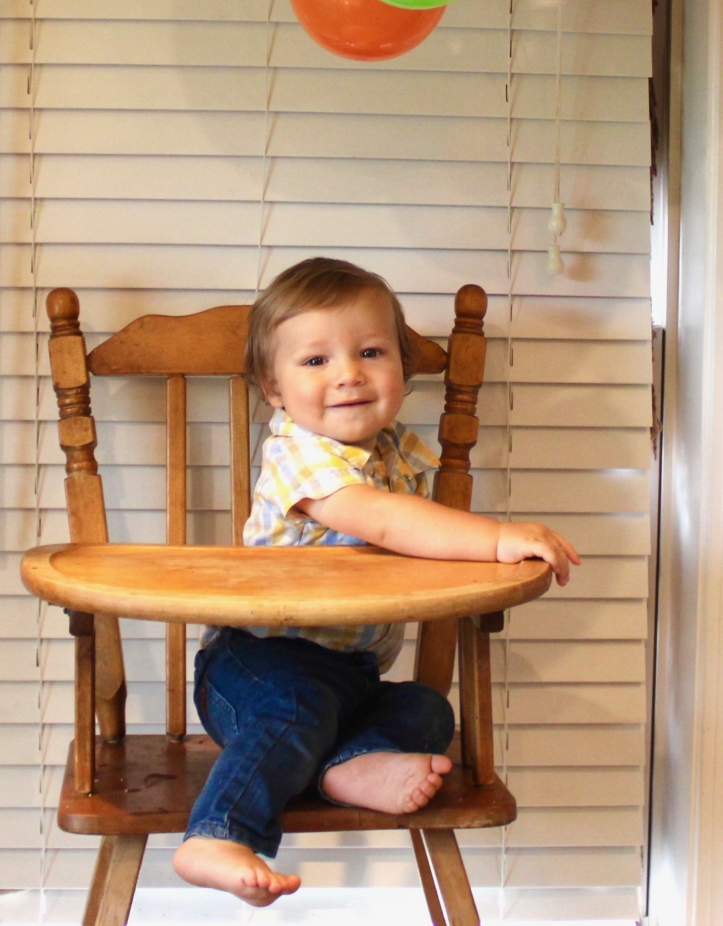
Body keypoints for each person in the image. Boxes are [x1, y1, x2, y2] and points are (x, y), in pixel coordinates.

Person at [171, 257, 582, 907]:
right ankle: (217, 832)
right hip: (253, 668)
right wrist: (496, 539)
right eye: (315, 361)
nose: (349, 374)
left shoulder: (391, 450)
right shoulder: (297, 453)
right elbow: (388, 523)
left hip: (349, 673)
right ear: (272, 388)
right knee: (296, 706)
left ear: (401, 368)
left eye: (370, 351)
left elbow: (414, 533)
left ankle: (346, 768)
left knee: (426, 710)